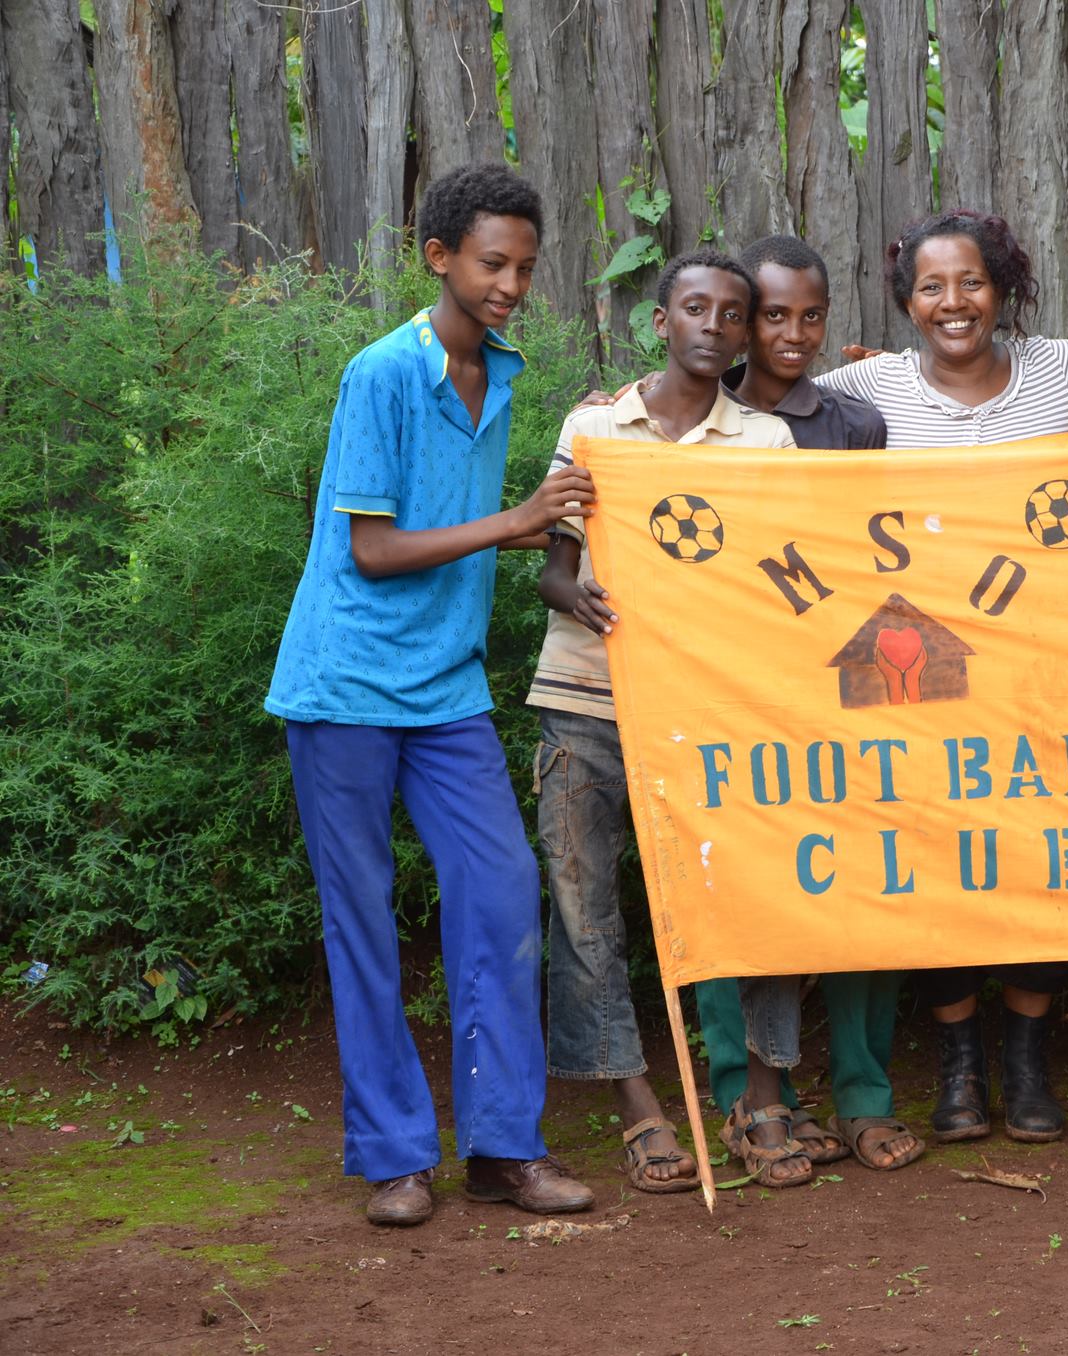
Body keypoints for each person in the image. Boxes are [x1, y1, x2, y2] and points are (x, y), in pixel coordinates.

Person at [263, 163, 595, 1226]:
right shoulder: (381, 373)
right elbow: (370, 550)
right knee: (359, 919)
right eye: (493, 263)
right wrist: (515, 522)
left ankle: (503, 1149)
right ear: (439, 257)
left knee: (500, 897)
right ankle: (395, 1156)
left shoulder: (499, 369)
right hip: (345, 683)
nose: (509, 284)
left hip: (443, 688)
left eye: (526, 269)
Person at [817, 208, 1068, 1144]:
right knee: (937, 869)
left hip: (1040, 670)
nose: (956, 303)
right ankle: (957, 1065)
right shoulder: (868, 384)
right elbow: (749, 402)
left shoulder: (1066, 366)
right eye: (933, 287)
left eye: (973, 282)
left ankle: (1026, 1057)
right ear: (906, 303)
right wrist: (619, 411)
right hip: (922, 672)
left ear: (1005, 287)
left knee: (1043, 864)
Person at [529, 250, 817, 1190]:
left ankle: (761, 1097)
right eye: (696, 308)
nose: (715, 327)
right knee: (588, 912)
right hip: (588, 702)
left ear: (746, 334)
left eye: (734, 315)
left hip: (718, 707)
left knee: (763, 899)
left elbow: (783, 577)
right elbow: (549, 566)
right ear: (661, 321)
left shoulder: (766, 443)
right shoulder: (594, 424)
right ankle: (639, 1108)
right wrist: (583, 598)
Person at [693, 233, 925, 1175]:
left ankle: (864, 1089)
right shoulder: (691, 421)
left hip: (840, 686)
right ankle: (752, 1095)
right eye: (772, 314)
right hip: (728, 688)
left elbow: (881, 552)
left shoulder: (853, 423)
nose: (792, 333)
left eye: (811, 315)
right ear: (742, 321)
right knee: (736, 892)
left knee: (864, 881)